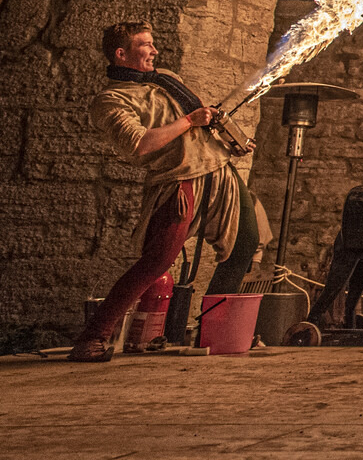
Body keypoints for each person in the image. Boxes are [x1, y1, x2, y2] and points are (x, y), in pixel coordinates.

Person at [69, 20, 260, 362]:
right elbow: (140, 144)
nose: (154, 50)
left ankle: (215, 332)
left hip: (220, 172)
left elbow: (203, 121)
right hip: (178, 182)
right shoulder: (111, 101)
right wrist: (189, 121)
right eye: (145, 44)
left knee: (244, 243)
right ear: (121, 54)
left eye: (152, 43)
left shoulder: (167, 79)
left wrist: (232, 139)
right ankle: (92, 337)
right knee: (156, 262)